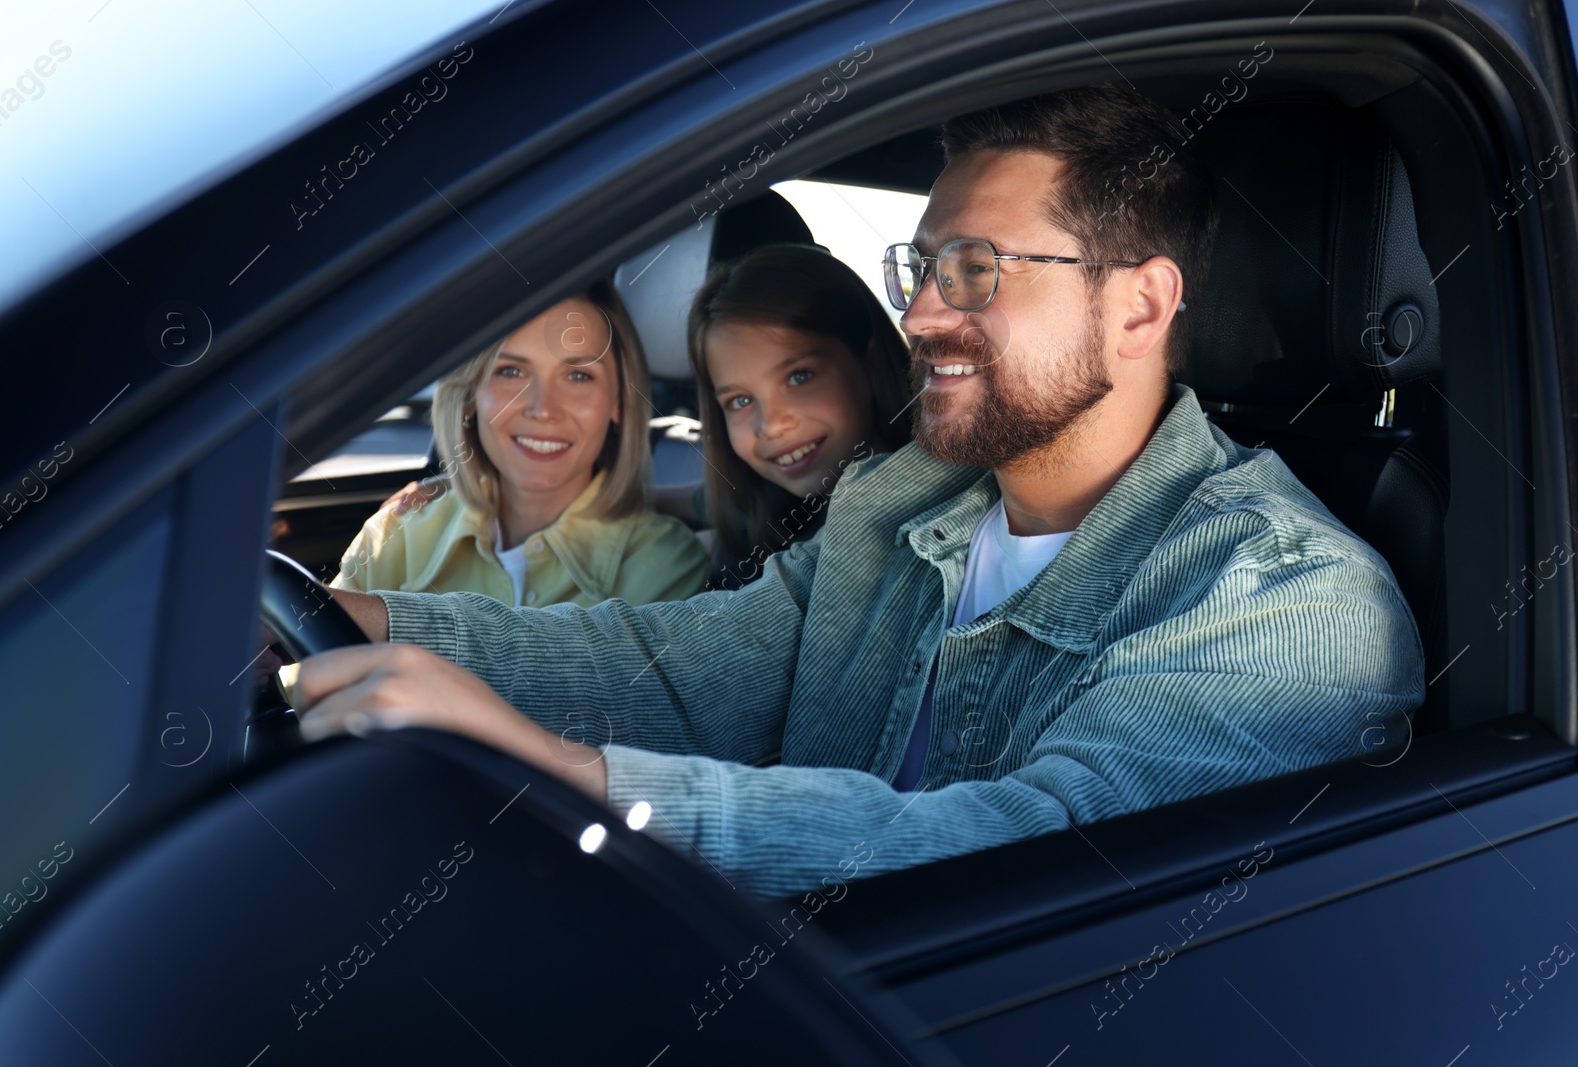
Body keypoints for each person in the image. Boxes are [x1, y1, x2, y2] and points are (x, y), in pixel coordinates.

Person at [292, 85, 1424, 898]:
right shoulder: (903, 501)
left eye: (975, 269)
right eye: (920, 267)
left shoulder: (1290, 602)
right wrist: (360, 622)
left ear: (1137, 306)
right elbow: (685, 673)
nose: (921, 313)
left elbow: (1023, 853)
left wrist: (572, 778)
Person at [330, 280, 709, 609]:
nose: (542, 409)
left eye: (578, 375)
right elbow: (305, 678)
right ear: (468, 398)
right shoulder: (396, 536)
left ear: (619, 403)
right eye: (511, 371)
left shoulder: (663, 564)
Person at [685, 243, 911, 588]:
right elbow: (717, 502)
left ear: (869, 364)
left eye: (799, 377)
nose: (772, 425)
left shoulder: (915, 524)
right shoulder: (766, 503)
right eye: (741, 400)